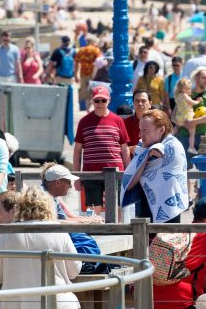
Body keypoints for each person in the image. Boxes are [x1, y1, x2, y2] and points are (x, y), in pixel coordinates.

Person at [0, 187, 80, 309]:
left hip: (18, 308)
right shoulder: (59, 232)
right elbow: (74, 271)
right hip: (58, 307)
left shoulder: (8, 235)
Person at [120, 109, 189, 223]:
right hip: (145, 210)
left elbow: (170, 180)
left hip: (169, 211)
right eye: (140, 130)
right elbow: (130, 183)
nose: (141, 135)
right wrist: (146, 156)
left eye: (145, 131)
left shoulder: (173, 146)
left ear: (161, 130)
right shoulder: (143, 148)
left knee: (166, 241)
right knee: (144, 241)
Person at [73, 86, 130, 214]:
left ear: (109, 100)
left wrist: (128, 173)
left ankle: (118, 233)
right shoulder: (84, 121)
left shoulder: (118, 120)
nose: (100, 104)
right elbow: (77, 151)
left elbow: (124, 149)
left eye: (103, 100)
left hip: (116, 172)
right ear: (92, 101)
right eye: (97, 100)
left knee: (118, 208)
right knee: (93, 211)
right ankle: (96, 233)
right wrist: (77, 177)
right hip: (91, 173)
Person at [175, 68, 206, 156]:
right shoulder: (185, 93)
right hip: (185, 136)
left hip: (204, 136)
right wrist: (184, 123)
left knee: (205, 168)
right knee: (185, 168)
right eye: (203, 78)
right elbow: (173, 116)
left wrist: (194, 122)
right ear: (196, 78)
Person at [171, 77, 200, 155]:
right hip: (187, 116)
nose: (189, 90)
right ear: (182, 89)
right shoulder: (185, 95)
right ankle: (191, 147)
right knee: (192, 132)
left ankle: (169, 137)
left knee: (176, 127)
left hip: (179, 117)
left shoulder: (178, 96)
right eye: (187, 89)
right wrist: (197, 101)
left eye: (189, 89)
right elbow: (191, 102)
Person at [74, 37, 101, 110]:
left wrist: (76, 75)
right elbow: (99, 62)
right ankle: (91, 108)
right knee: (94, 92)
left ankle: (87, 108)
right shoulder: (96, 50)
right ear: (92, 42)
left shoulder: (81, 50)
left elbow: (76, 63)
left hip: (83, 74)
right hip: (93, 74)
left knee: (85, 92)